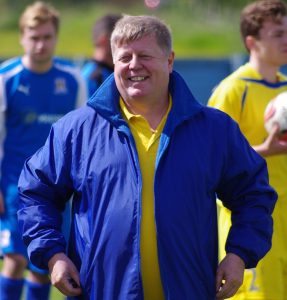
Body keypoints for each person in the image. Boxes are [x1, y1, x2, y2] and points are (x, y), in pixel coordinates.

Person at [17, 15, 276, 300]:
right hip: (100, 292)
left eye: (145, 55)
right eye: (124, 57)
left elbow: (254, 194)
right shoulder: (76, 130)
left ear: (170, 60)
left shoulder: (214, 129)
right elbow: (35, 192)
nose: (134, 65)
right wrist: (53, 254)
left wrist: (238, 255)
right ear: (113, 63)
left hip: (190, 290)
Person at [0, 1, 87, 300]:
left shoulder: (73, 79)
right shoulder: (6, 78)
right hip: (14, 185)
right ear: (23, 36)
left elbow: (82, 136)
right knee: (14, 259)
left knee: (44, 262)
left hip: (57, 186)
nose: (40, 44)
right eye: (34, 37)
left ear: (56, 37)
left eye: (47, 37)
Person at [208, 0, 287, 299]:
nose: (286, 40)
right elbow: (211, 158)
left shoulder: (285, 87)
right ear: (252, 41)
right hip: (250, 219)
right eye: (278, 33)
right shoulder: (232, 90)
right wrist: (263, 150)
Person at [81, 13, 122, 97]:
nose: (126, 45)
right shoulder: (92, 77)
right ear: (104, 40)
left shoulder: (112, 71)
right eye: (121, 39)